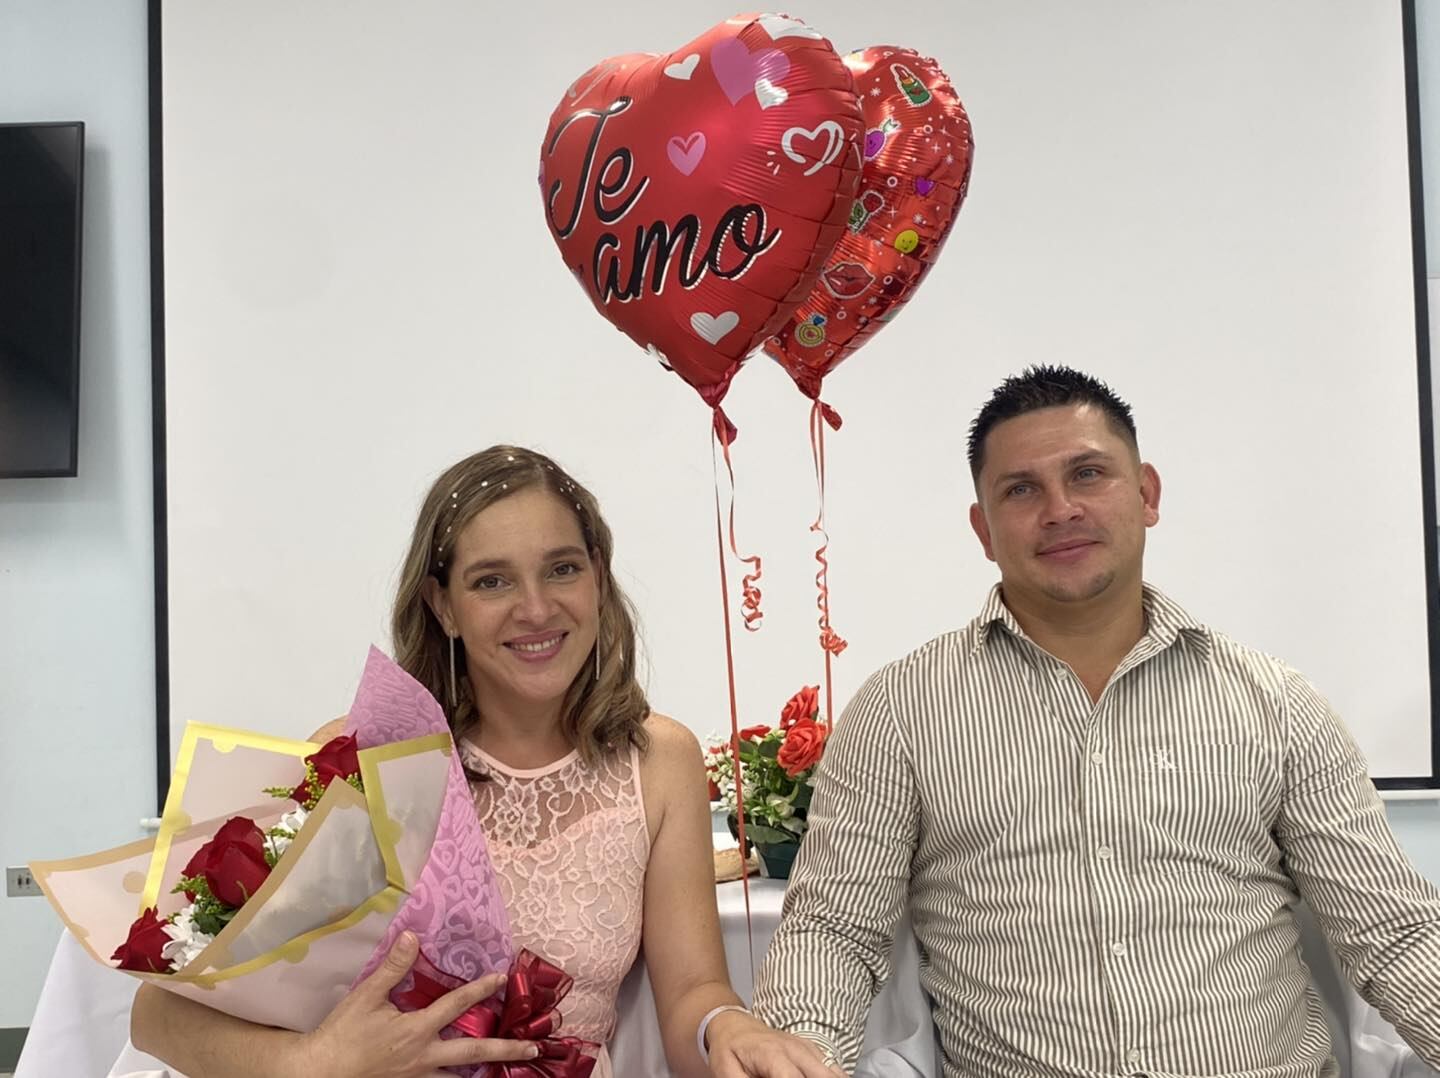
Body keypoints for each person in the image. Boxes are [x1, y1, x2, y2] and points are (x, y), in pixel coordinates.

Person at [720, 367, 1440, 1076]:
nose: (1060, 508)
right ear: (983, 527)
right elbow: (836, 929)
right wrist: (800, 1055)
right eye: (1021, 489)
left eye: (1089, 474)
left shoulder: (1277, 704)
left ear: (1147, 494)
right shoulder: (901, 711)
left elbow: (1393, 931)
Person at [130, 446, 835, 1078]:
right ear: (442, 605)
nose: (536, 608)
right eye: (492, 581)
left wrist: (729, 1027)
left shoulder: (659, 760)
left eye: (562, 568)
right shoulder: (363, 752)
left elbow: (691, 996)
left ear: (597, 579)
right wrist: (316, 1062)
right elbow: (157, 1017)